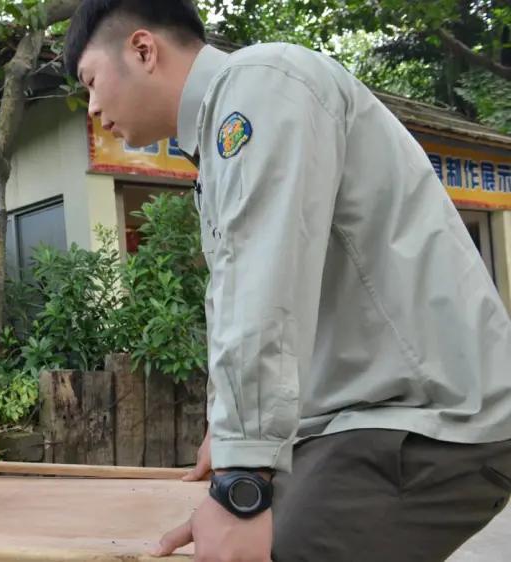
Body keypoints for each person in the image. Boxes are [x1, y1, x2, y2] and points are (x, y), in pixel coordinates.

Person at [64, 1, 511, 561]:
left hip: (433, 415)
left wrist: (240, 484)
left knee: (265, 544)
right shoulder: (227, 127)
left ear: (143, 49)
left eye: (91, 81)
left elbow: (264, 291)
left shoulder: (259, 89)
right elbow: (238, 294)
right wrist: (229, 437)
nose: (94, 106)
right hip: (375, 412)